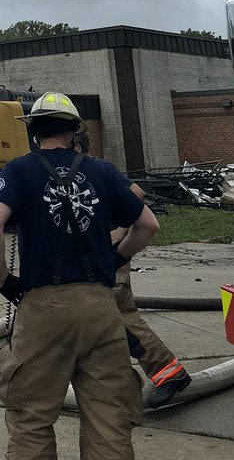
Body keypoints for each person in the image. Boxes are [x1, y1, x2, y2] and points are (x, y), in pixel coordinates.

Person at [0, 92, 159, 460]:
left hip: (42, 310)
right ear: (73, 131)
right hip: (99, 309)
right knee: (109, 418)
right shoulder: (101, 170)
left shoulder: (18, 170)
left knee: (31, 417)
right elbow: (146, 225)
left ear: (34, 133)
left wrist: (3, 280)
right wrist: (115, 258)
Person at [73, 131, 192, 408]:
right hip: (94, 259)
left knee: (121, 316)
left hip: (109, 259)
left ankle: (170, 375)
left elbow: (136, 193)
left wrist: (120, 232)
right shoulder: (80, 174)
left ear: (77, 145)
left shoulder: (98, 169)